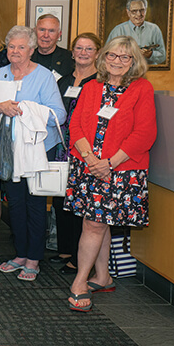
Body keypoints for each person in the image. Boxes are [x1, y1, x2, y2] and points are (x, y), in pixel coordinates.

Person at [65, 36, 156, 312]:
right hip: (89, 166)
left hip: (121, 170)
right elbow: (76, 125)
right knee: (97, 222)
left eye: (124, 57)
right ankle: (102, 276)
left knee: (94, 225)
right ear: (103, 58)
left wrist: (109, 163)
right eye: (112, 56)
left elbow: (144, 133)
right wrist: (93, 160)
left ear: (134, 62)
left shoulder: (142, 89)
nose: (117, 62)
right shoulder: (92, 87)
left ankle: (79, 283)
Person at [0, 26, 66, 282]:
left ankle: (34, 258)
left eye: (21, 47)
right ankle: (20, 254)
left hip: (37, 150)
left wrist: (27, 110)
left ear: (31, 50)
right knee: (15, 203)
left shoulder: (43, 76)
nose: (15, 52)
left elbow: (58, 115)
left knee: (36, 204)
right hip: (8, 150)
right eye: (11, 47)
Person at [52, 33, 101, 275]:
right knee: (62, 197)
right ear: (72, 52)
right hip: (62, 146)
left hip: (86, 148)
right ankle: (65, 249)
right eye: (79, 48)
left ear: (97, 53)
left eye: (88, 49)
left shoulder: (99, 81)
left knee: (81, 200)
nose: (83, 52)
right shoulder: (64, 80)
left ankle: (77, 257)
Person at [106, 0, 166, 65]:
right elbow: (108, 55)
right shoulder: (118, 30)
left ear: (146, 10)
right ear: (128, 12)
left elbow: (163, 56)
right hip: (124, 73)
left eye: (142, 10)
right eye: (134, 11)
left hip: (150, 72)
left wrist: (151, 54)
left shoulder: (154, 29)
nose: (139, 14)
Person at [31, 14, 74, 80]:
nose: (46, 35)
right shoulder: (26, 57)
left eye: (51, 31)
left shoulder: (70, 59)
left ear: (59, 34)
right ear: (35, 32)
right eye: (42, 30)